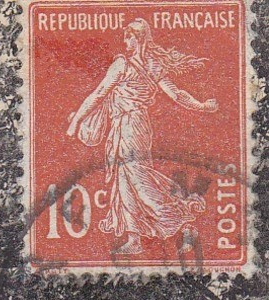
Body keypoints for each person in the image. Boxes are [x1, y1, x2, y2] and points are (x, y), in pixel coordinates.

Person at [66, 19, 219, 256]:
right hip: (130, 126)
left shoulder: (123, 64)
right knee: (124, 181)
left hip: (131, 126)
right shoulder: (151, 65)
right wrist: (201, 106)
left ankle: (185, 224)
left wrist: (76, 121)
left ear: (137, 39)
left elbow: (98, 94)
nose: (125, 42)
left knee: (139, 180)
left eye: (128, 37)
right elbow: (177, 95)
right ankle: (134, 238)